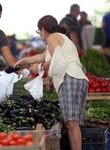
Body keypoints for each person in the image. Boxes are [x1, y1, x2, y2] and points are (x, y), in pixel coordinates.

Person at [14, 15, 88, 150]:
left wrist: (40, 67)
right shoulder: (56, 39)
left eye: (38, 31)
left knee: (71, 123)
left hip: (69, 78)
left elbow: (56, 59)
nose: (39, 34)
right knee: (73, 123)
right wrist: (23, 61)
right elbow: (41, 57)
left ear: (43, 29)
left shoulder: (53, 37)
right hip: (76, 78)